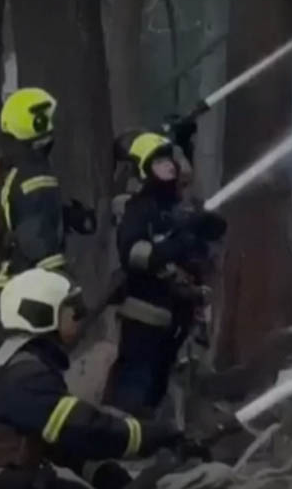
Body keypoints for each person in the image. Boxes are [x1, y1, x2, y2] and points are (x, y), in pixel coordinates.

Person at [0, 268, 190, 489]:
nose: (81, 315)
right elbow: (84, 428)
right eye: (73, 308)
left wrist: (106, 476)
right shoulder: (27, 376)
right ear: (42, 314)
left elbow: (61, 443)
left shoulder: (15, 364)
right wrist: (153, 435)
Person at [105, 132, 226, 417]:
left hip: (176, 315)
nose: (169, 165)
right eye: (159, 161)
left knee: (160, 386)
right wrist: (178, 243)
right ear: (144, 169)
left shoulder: (174, 206)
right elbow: (136, 255)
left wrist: (202, 224)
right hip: (145, 315)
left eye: (169, 158)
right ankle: (121, 440)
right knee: (135, 385)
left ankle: (151, 443)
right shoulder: (139, 209)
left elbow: (213, 233)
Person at [0, 88, 94, 347]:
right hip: (27, 288)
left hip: (4, 279)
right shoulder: (35, 175)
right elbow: (36, 236)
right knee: (33, 358)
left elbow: (21, 213)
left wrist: (66, 217)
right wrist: (64, 283)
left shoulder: (10, 168)